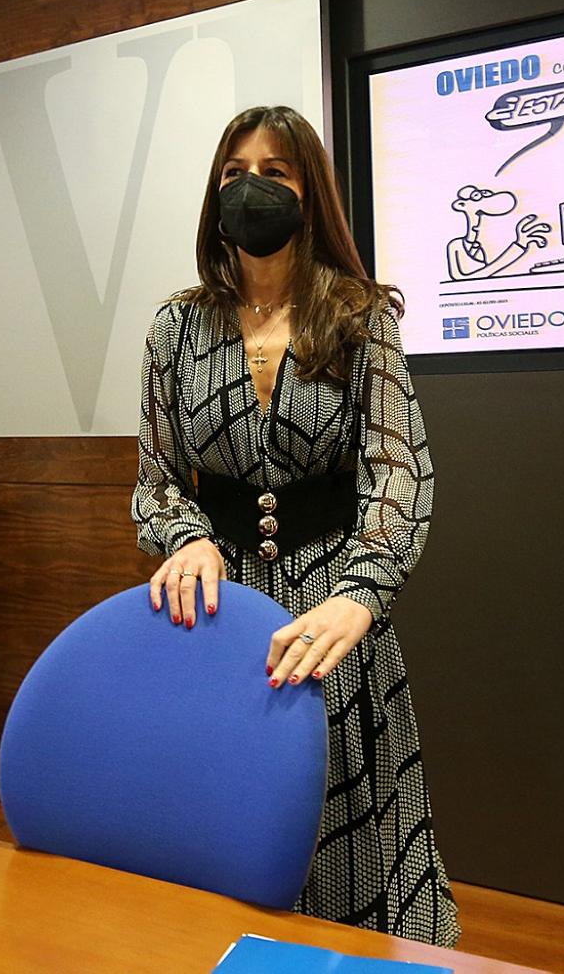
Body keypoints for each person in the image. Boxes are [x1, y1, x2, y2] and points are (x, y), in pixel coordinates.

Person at [131, 105, 460, 947]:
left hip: (333, 612)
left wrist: (362, 593)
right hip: (219, 617)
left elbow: (400, 472)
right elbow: (157, 479)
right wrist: (187, 536)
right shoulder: (175, 329)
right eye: (234, 172)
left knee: (343, 828)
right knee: (227, 819)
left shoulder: (361, 318)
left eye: (274, 172)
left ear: (308, 191)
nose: (251, 188)